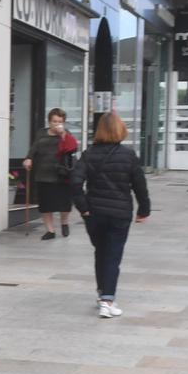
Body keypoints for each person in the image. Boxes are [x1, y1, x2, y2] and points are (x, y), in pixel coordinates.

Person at [72, 110, 150, 319]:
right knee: (112, 256)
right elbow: (139, 185)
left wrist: (83, 207)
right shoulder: (128, 155)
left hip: (94, 213)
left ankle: (102, 294)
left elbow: (75, 182)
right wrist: (144, 209)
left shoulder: (89, 154)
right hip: (119, 213)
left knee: (101, 252)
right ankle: (107, 300)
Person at [24, 109, 79, 238]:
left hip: (61, 174)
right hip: (43, 173)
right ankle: (50, 230)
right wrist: (28, 158)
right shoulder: (41, 133)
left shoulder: (66, 134)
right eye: (54, 121)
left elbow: (73, 148)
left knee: (64, 204)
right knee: (46, 204)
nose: (57, 124)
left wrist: (63, 134)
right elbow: (34, 148)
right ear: (49, 121)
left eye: (60, 121)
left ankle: (64, 222)